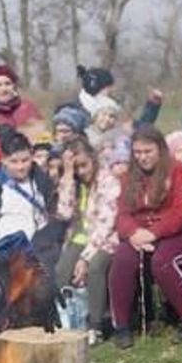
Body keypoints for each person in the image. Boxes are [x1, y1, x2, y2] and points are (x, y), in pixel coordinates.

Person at [110, 125, 182, 348]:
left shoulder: (177, 171)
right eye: (138, 152)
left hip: (177, 235)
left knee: (163, 261)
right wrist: (132, 233)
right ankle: (121, 327)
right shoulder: (128, 177)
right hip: (139, 235)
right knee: (122, 259)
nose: (142, 157)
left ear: (159, 149)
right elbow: (122, 214)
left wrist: (153, 233)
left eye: (147, 151)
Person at [54, 139, 120, 345]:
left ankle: (96, 325)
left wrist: (85, 258)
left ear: (93, 160)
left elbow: (106, 224)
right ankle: (71, 319)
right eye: (76, 168)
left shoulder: (108, 182)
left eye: (84, 165)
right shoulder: (75, 181)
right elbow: (64, 212)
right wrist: (67, 176)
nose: (81, 171)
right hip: (80, 237)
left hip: (106, 239)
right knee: (62, 270)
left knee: (95, 268)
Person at [0, 130, 55, 251]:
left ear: (31, 156)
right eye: (13, 162)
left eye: (25, 160)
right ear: (3, 160)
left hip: (37, 249)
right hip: (2, 249)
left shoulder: (42, 180)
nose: (20, 167)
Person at [0, 64, 44, 131]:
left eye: (7, 84)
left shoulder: (28, 108)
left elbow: (41, 135)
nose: (3, 89)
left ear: (14, 86)